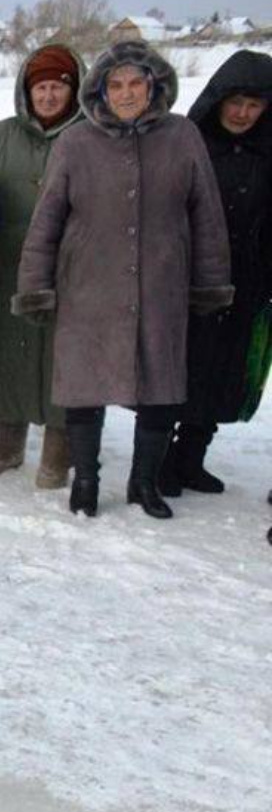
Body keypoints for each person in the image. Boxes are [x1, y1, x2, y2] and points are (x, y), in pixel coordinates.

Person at [13, 41, 233, 519]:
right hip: (87, 289)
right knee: (83, 388)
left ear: (155, 86)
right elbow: (46, 221)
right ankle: (86, 481)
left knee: (160, 389)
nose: (126, 93)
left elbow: (207, 217)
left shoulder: (183, 137)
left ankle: (143, 483)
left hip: (161, 288)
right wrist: (35, 285)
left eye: (136, 82)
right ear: (100, 91)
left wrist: (210, 282)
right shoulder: (75, 142)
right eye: (116, 84)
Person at [0, 45, 85, 489]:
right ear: (26, 91)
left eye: (58, 87)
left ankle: (59, 452)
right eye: (41, 87)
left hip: (68, 268)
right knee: (6, 352)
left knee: (62, 358)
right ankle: (8, 444)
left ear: (74, 91)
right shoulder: (1, 134)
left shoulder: (89, 135)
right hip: (8, 264)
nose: (49, 96)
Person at [169, 50, 272, 496]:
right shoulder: (190, 142)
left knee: (225, 370)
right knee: (182, 368)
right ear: (217, 100)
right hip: (190, 279)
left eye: (254, 104)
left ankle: (192, 457)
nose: (243, 113)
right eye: (235, 102)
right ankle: (160, 461)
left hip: (249, 279)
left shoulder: (267, 149)